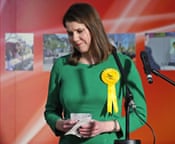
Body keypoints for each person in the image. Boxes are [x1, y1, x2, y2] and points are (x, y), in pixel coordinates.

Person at [44, 3, 147, 144]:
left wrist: (105, 126)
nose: (74, 38)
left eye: (79, 31)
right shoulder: (61, 66)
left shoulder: (122, 63)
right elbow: (50, 111)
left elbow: (139, 114)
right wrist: (59, 123)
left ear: (94, 29)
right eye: (70, 33)